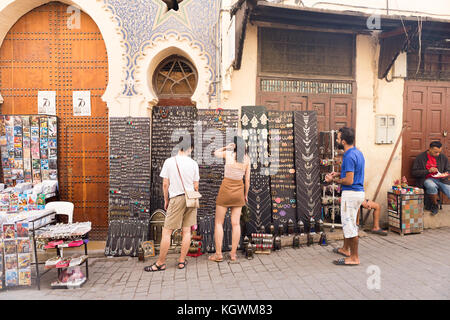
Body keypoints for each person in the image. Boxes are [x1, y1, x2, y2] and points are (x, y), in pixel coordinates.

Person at [144, 138, 199, 272]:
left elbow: (165, 184)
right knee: (187, 231)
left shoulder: (169, 162)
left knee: (167, 232)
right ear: (190, 148)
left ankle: (160, 263)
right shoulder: (193, 163)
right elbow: (196, 185)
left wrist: (166, 199)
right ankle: (181, 261)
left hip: (176, 198)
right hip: (190, 199)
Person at [325, 127, 365, 266]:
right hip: (358, 192)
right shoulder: (358, 153)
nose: (336, 141)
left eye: (337, 138)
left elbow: (349, 181)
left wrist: (333, 180)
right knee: (349, 223)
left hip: (351, 193)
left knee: (350, 226)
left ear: (343, 141)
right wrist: (339, 174)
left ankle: (354, 257)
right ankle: (345, 249)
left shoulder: (348, 155)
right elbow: (351, 174)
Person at [208, 136, 250, 262]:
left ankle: (218, 254)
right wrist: (245, 194)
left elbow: (215, 153)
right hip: (238, 190)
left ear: (235, 145)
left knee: (219, 223)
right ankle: (233, 254)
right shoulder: (247, 159)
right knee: (236, 223)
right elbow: (247, 180)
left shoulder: (229, 154)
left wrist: (227, 147)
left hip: (225, 189)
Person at [411, 141, 449, 215]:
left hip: (441, 179)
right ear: (429, 149)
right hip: (427, 179)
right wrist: (428, 171)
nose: (438, 154)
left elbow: (448, 169)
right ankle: (434, 205)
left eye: (439, 152)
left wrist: (445, 173)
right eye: (435, 152)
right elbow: (414, 172)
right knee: (430, 185)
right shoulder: (420, 157)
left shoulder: (443, 157)